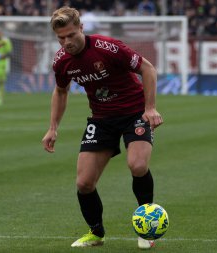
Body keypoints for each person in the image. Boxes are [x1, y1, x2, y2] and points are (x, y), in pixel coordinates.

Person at [42, 6, 163, 249]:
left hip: (134, 113)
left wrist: (150, 108)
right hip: (101, 119)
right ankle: (96, 233)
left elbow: (147, 69)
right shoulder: (61, 61)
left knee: (138, 165)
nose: (66, 42)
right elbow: (61, 91)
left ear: (81, 28)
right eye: (61, 38)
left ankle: (147, 230)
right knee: (84, 183)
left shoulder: (108, 47)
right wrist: (52, 127)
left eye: (71, 35)